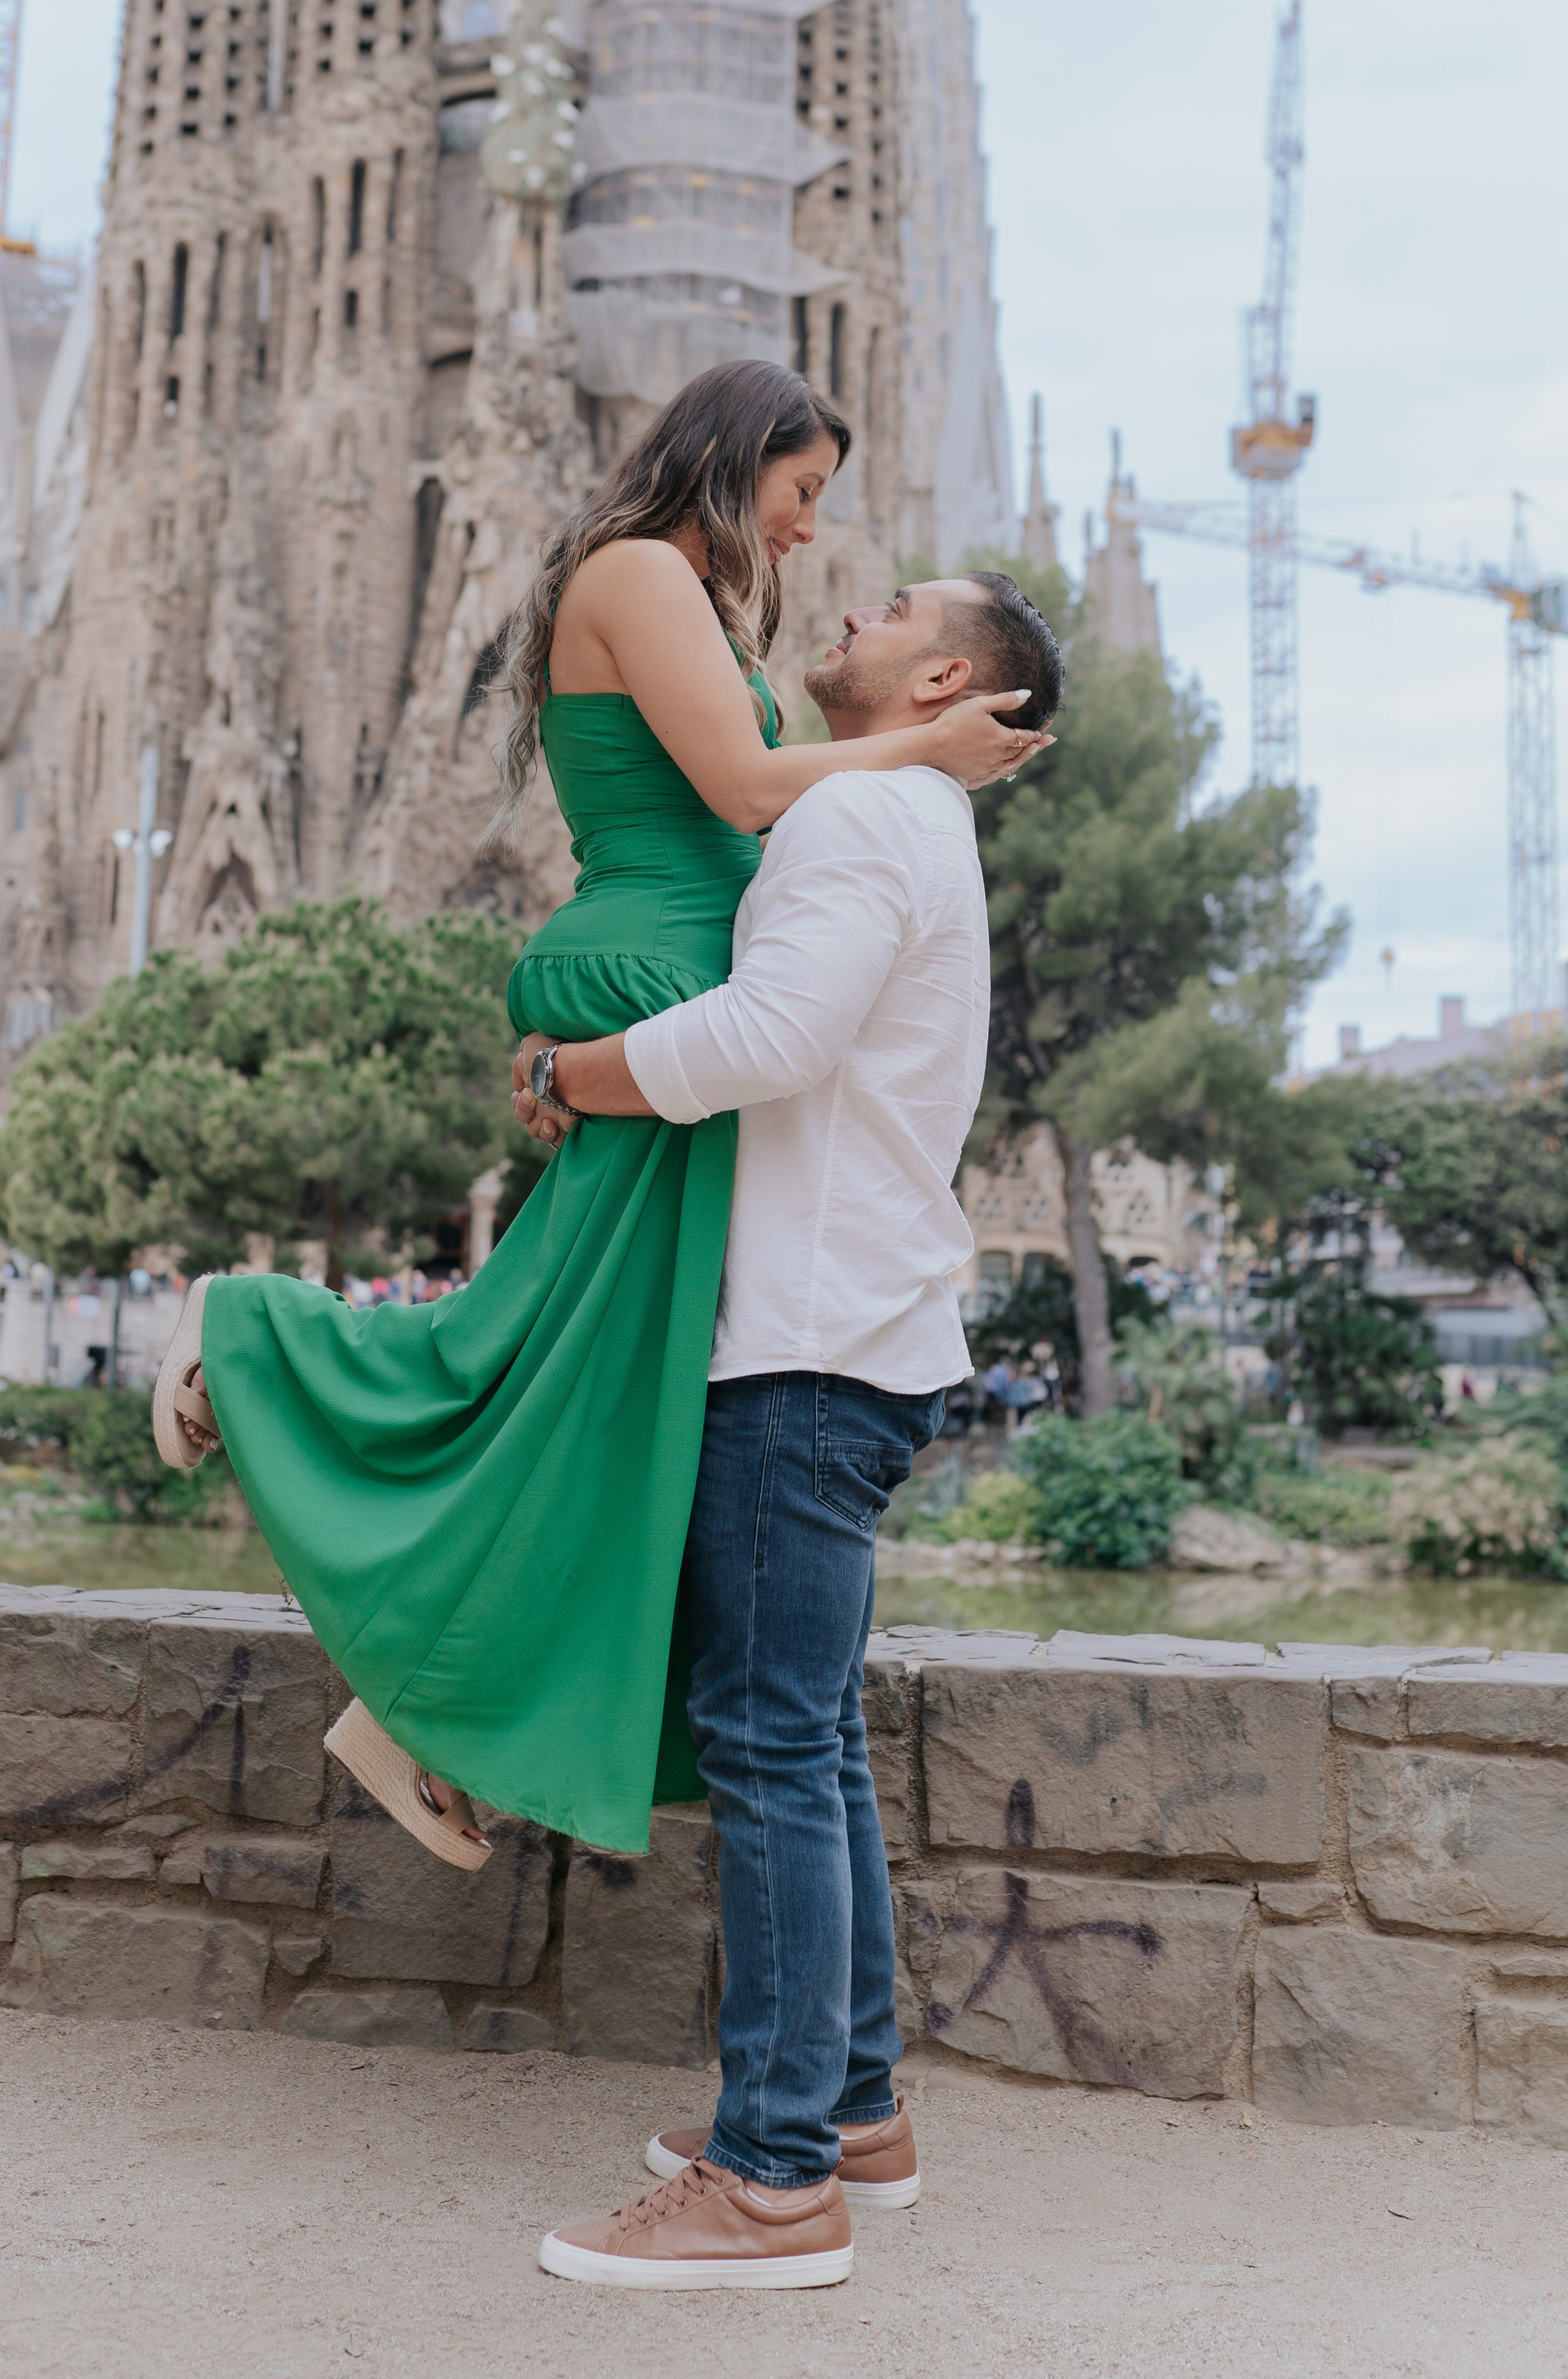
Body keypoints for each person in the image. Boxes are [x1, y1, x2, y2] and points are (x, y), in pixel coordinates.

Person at [151, 361, 1045, 1866]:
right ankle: (250, 1337)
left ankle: (438, 1711)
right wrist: (926, 748)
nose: (807, 531)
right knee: (540, 1348)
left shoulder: (700, 608)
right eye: (800, 492)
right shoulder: (635, 573)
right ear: (730, 456)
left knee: (596, 1373)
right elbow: (746, 788)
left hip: (688, 967)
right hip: (662, 964)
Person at [509, 569, 1062, 2292]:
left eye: (889, 604)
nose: (845, 604)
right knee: (806, 1743)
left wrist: (572, 1073)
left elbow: (773, 1035)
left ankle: (768, 2184)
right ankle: (852, 2115)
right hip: (856, 1337)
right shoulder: (907, 816)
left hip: (803, 1349)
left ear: (943, 676)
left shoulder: (858, 817)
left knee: (767, 1748)